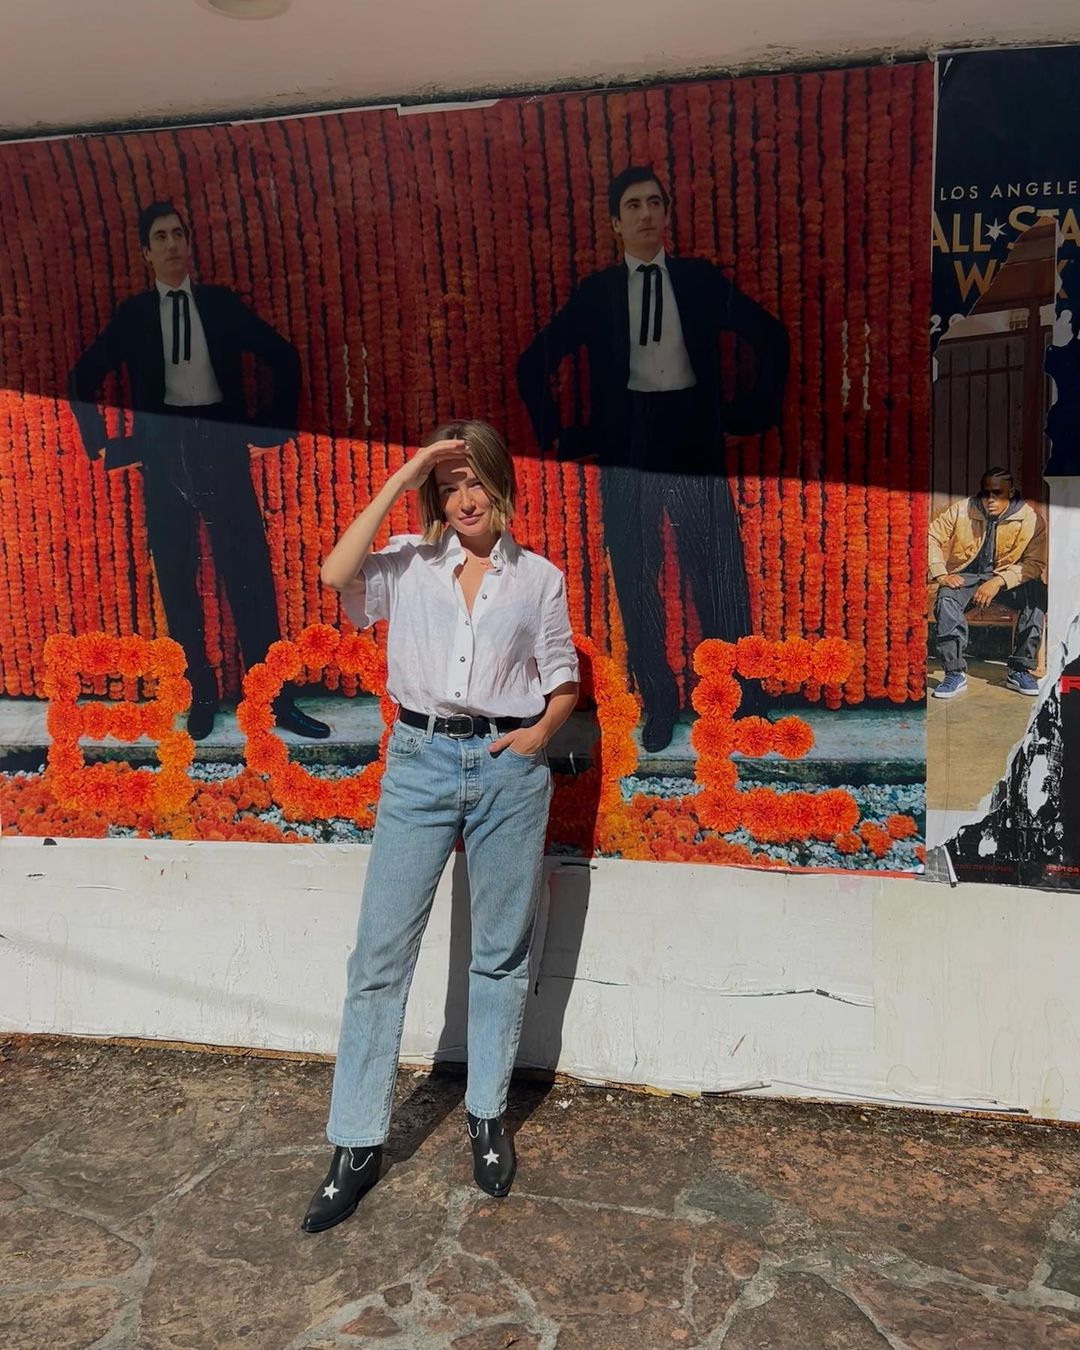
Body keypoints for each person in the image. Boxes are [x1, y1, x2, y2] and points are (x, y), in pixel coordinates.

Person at [302, 420, 579, 1233]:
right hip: (418, 762)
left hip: (506, 770)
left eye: (476, 481)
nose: (464, 499)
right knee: (378, 958)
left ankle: (486, 1116)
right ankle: (356, 1143)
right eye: (449, 485)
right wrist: (406, 472)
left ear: (501, 486)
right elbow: (333, 574)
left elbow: (562, 677)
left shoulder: (539, 579)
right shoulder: (410, 564)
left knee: (499, 954)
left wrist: (536, 735)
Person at [517, 165, 789, 752]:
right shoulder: (598, 293)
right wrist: (563, 437)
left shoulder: (698, 280)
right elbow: (533, 361)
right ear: (616, 224)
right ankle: (660, 705)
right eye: (633, 206)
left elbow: (771, 336)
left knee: (719, 573)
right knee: (637, 580)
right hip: (627, 449)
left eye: (654, 203)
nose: (645, 214)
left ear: (667, 213)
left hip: (692, 440)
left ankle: (742, 699)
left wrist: (748, 416)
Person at [67, 199, 329, 741]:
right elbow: (81, 378)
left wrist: (270, 432)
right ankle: (201, 695)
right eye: (160, 238)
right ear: (146, 253)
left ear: (189, 243)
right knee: (176, 576)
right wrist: (104, 447)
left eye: (178, 234)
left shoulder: (219, 305)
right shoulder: (135, 316)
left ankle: (274, 699)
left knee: (249, 571)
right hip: (162, 452)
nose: (171, 245)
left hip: (221, 442)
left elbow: (283, 357)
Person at [929, 467, 1048, 698]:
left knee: (1037, 595)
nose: (990, 499)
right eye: (985, 492)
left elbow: (1034, 564)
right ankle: (954, 672)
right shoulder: (962, 509)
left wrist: (998, 581)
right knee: (946, 598)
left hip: (1007, 577)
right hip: (967, 575)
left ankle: (1019, 669)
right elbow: (931, 536)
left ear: (1010, 493)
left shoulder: (1031, 519)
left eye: (997, 493)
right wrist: (941, 574)